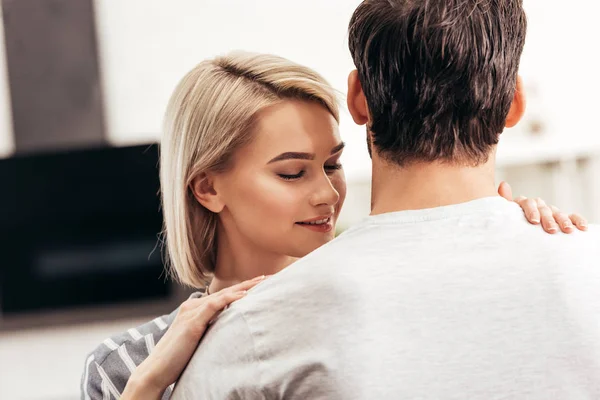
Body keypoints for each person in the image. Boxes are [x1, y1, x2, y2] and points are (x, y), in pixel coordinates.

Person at [81, 52, 583, 400]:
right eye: (292, 172)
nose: (326, 193)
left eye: (334, 164)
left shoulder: (377, 295)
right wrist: (149, 387)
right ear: (208, 188)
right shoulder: (125, 364)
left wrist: (507, 233)